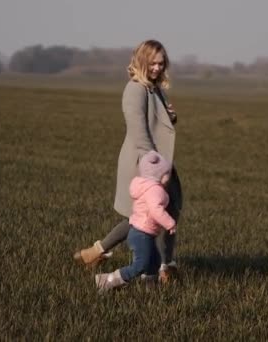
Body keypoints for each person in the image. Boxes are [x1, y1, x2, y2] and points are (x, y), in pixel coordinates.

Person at [73, 39, 182, 283]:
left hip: (156, 160)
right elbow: (138, 130)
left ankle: (100, 252)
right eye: (152, 63)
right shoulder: (135, 89)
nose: (157, 67)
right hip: (145, 163)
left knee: (163, 209)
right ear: (142, 61)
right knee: (146, 216)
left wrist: (170, 118)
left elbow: (156, 125)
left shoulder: (154, 88)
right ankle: (163, 267)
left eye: (161, 63)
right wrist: (155, 169)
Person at [95, 151, 176, 291]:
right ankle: (107, 280)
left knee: (154, 261)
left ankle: (150, 287)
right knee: (140, 265)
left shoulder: (144, 185)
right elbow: (156, 210)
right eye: (166, 173)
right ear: (158, 174)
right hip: (141, 234)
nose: (169, 178)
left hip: (141, 232)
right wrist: (170, 223)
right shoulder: (155, 190)